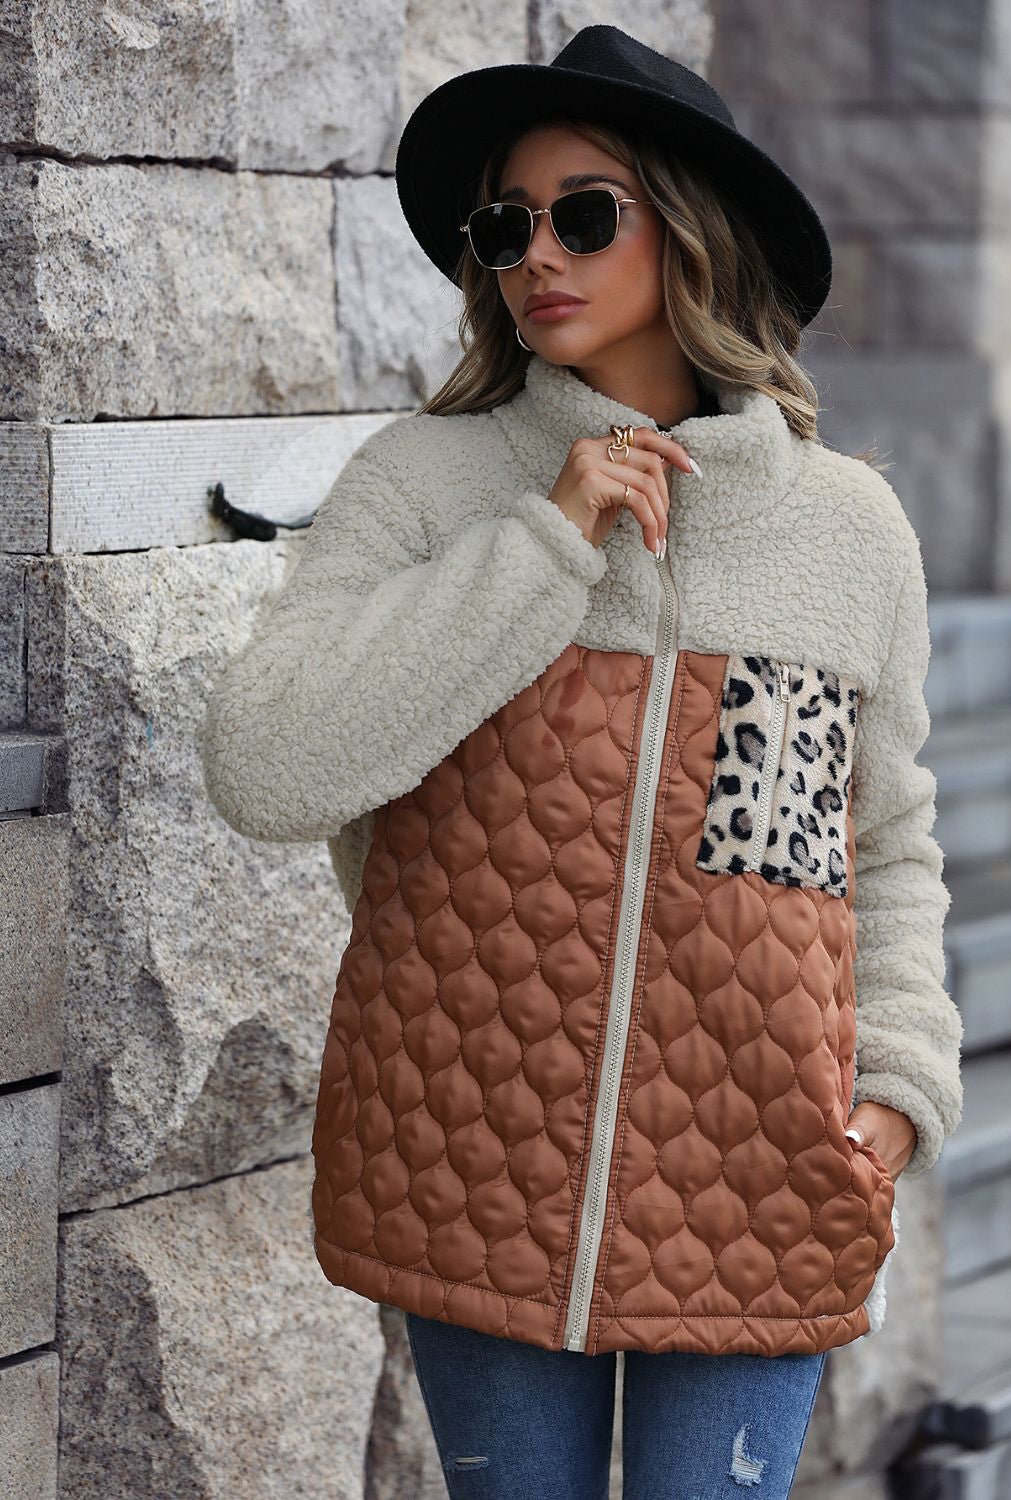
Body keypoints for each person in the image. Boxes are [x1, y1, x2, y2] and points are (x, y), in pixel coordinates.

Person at [198, 25, 964, 1500]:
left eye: (584, 214)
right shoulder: (429, 485)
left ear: (689, 231)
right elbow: (266, 764)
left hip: (759, 1161)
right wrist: (545, 543)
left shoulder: (845, 530)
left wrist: (892, 1089)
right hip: (475, 1148)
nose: (536, 255)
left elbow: (880, 845)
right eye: (506, 227)